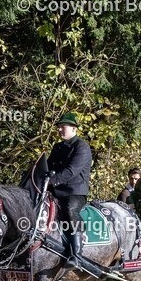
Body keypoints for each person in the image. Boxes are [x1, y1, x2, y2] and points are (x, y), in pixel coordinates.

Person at [48, 112, 93, 268]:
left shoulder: (82, 147)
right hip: (56, 191)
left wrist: (51, 181)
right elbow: (48, 167)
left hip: (75, 192)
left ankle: (76, 255)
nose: (60, 130)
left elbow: (70, 171)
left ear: (74, 129)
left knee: (69, 210)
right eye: (59, 127)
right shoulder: (57, 147)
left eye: (63, 127)